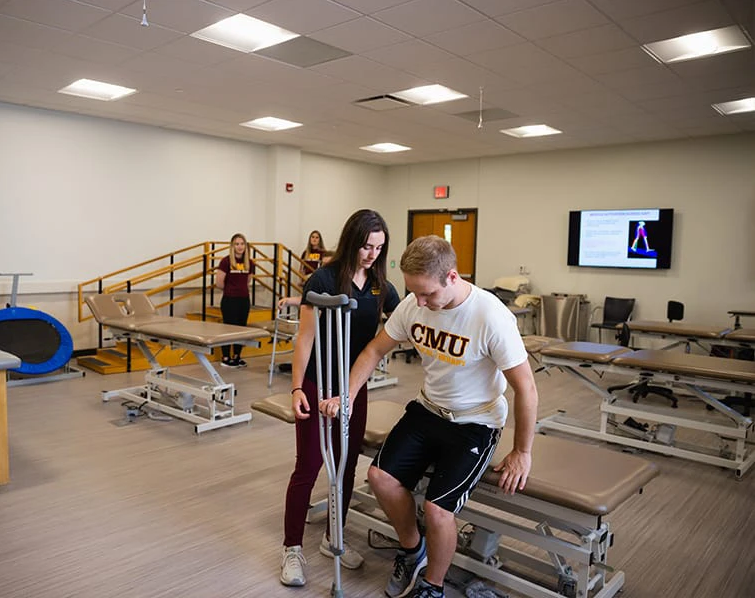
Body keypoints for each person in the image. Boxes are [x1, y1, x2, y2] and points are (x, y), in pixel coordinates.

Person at [320, 235, 538, 598]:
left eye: (427, 294)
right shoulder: (413, 305)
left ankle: (432, 585)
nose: (419, 302)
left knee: (438, 510)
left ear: (451, 277)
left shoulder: (490, 315)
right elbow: (375, 350)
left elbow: (526, 387)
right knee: (379, 477)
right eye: (413, 293)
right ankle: (412, 549)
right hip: (427, 409)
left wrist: (522, 450)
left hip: (476, 423)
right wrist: (347, 395)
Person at [280, 209, 401, 588]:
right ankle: (292, 548)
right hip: (318, 384)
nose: (372, 254)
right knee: (310, 464)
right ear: (353, 241)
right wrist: (298, 387)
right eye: (366, 246)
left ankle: (335, 536)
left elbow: (406, 316)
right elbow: (305, 337)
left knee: (346, 464)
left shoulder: (381, 282)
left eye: (379, 248)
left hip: (353, 386)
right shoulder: (324, 278)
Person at [215, 232, 254, 368]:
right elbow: (219, 282)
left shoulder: (250, 262)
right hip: (229, 300)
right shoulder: (226, 261)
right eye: (237, 244)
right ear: (232, 246)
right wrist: (232, 290)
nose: (240, 247)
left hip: (244, 300)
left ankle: (237, 356)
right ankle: (226, 356)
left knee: (241, 328)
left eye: (242, 244)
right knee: (228, 329)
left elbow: (248, 281)